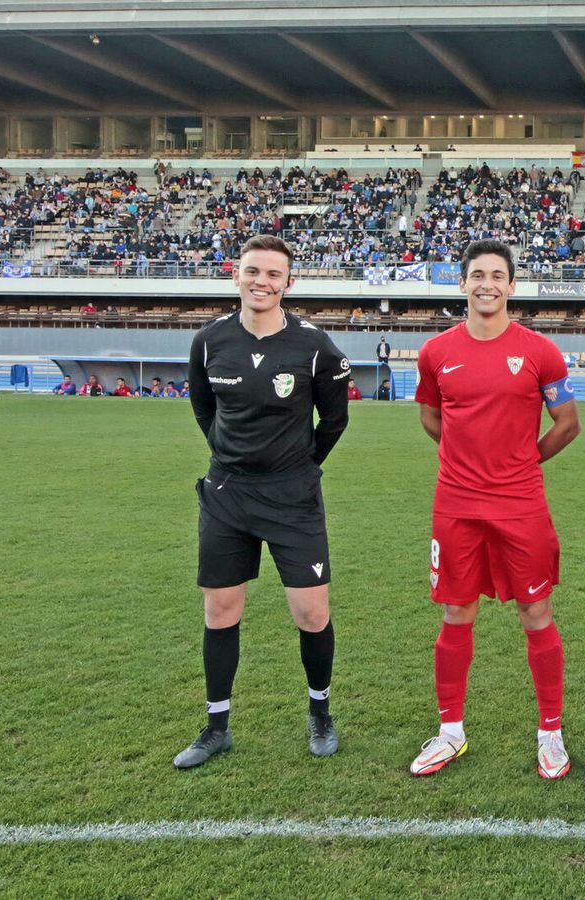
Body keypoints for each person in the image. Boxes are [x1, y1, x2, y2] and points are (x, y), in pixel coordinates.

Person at [173, 234, 352, 769]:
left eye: (274, 275)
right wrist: (234, 460)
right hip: (227, 495)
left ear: (288, 283)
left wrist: (299, 466)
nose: (262, 282)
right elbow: (206, 411)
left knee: (311, 613)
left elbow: (335, 420)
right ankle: (216, 726)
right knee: (220, 610)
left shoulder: (315, 347)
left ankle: (320, 714)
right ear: (236, 274)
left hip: (293, 497)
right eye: (253, 271)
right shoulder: (208, 341)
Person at [410, 239, 581, 780]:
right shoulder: (436, 352)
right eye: (477, 274)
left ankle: (550, 734)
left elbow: (567, 424)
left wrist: (520, 463)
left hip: (520, 504)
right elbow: (432, 420)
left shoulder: (539, 352)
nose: (487, 284)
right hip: (455, 504)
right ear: (462, 283)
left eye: (497, 275)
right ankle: (449, 733)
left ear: (512, 285)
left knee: (537, 613)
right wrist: (468, 462)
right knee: (456, 611)